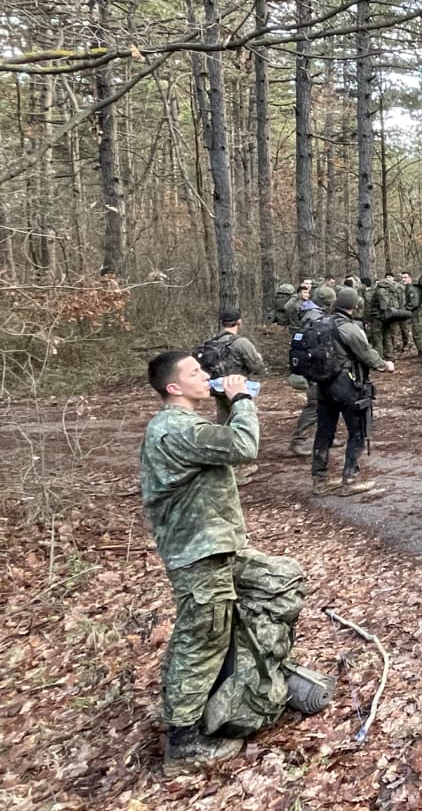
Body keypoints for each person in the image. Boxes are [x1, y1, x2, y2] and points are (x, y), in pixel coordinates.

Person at [139, 352, 258, 772]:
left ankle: (205, 706)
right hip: (197, 551)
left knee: (206, 630)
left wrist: (225, 403)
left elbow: (219, 448)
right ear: (173, 387)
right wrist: (242, 400)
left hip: (207, 546)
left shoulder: (183, 426)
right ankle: (184, 744)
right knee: (201, 638)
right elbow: (242, 446)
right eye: (195, 373)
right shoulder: (177, 428)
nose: (205, 376)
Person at [312, 286, 394, 495]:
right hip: (347, 386)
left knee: (324, 432)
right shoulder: (348, 328)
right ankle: (349, 480)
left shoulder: (319, 323)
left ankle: (319, 480)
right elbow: (366, 354)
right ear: (355, 305)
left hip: (322, 386)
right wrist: (385, 365)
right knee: (357, 431)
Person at [289, 285, 333, 456]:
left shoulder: (312, 313)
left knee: (329, 401)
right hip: (314, 367)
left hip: (319, 365)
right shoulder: (314, 317)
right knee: (315, 403)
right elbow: (314, 343)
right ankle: (298, 441)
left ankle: (327, 435)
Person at [206, 309, 267, 426]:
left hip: (218, 388)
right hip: (239, 389)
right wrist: (258, 358)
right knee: (244, 423)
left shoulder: (212, 342)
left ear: (222, 322)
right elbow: (258, 368)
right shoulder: (242, 343)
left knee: (223, 424)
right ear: (239, 322)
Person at [399, 271, 422, 358]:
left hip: (417, 313)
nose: (403, 279)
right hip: (416, 312)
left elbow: (414, 303)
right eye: (402, 278)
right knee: (419, 332)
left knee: (417, 333)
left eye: (405, 277)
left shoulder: (411, 289)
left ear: (410, 278)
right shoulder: (409, 287)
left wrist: (405, 309)